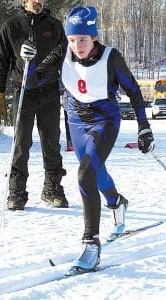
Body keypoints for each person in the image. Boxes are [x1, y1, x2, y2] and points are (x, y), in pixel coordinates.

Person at [25, 6, 155, 273]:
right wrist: (27, 61)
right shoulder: (62, 52)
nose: (77, 46)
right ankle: (116, 201)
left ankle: (91, 244)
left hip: (103, 121)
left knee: (85, 174)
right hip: (75, 121)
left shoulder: (111, 58)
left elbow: (134, 92)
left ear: (94, 36)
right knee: (94, 169)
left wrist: (144, 127)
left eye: (83, 39)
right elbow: (33, 81)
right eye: (72, 39)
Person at [0, 0, 69, 210]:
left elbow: (65, 60)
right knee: (21, 143)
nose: (39, 2)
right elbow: (2, 62)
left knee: (52, 141)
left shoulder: (54, 25)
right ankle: (17, 191)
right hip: (23, 91)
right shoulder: (12, 26)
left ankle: (52, 188)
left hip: (49, 90)